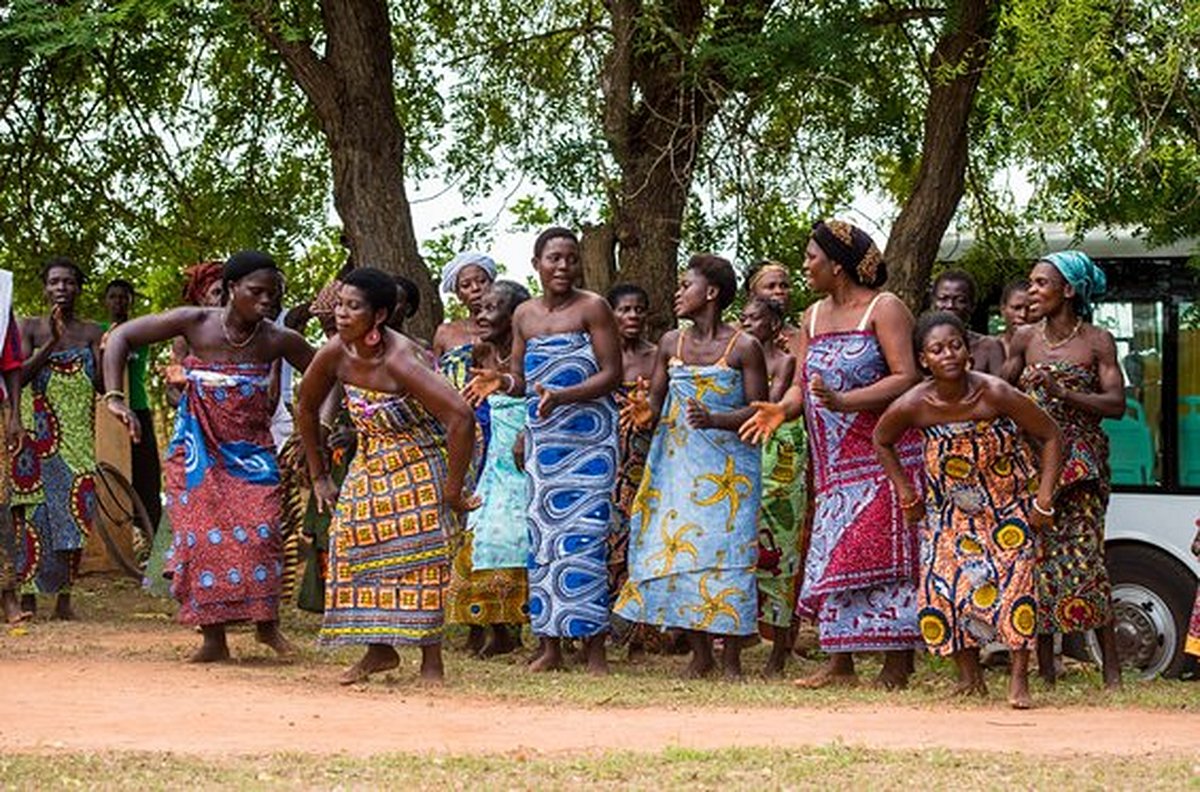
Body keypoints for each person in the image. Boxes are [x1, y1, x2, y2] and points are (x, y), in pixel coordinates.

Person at [104, 251, 314, 662]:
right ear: (232, 289)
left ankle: (267, 627)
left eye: (275, 293)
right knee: (201, 540)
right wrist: (115, 397)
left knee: (263, 533)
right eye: (257, 291)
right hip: (197, 452)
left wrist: (316, 428)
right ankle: (213, 639)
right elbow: (121, 336)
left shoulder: (278, 338)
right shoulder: (195, 323)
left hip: (252, 455)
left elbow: (329, 371)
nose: (268, 300)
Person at [740, 219, 923, 689]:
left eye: (811, 258)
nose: (805, 266)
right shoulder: (813, 317)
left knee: (885, 557)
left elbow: (906, 377)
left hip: (882, 456)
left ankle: (896, 664)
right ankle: (840, 663)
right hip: (833, 465)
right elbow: (804, 385)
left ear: (837, 266)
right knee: (834, 556)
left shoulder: (885, 309)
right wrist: (781, 410)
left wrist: (846, 401)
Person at [297, 267, 477, 684]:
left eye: (352, 307)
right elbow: (306, 407)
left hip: (423, 454)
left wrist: (453, 489)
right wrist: (319, 474)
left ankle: (432, 662)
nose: (341, 314)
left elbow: (461, 418)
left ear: (378, 316)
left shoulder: (402, 359)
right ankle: (378, 652)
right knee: (348, 539)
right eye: (339, 304)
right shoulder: (335, 351)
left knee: (423, 549)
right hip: (373, 455)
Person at [874, 312, 1064, 708]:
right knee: (944, 585)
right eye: (937, 349)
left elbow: (1050, 435)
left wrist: (1044, 499)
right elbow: (882, 440)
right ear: (924, 359)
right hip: (949, 511)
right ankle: (969, 677)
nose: (948, 355)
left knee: (1017, 584)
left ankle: (1018, 678)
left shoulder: (995, 393)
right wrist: (906, 492)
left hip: (1007, 502)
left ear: (968, 350)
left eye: (955, 345)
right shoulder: (913, 403)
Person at [473, 227, 621, 674]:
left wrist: (564, 395)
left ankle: (594, 648)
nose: (563, 266)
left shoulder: (593, 307)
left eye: (571, 259)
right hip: (544, 441)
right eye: (554, 258)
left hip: (589, 441)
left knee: (586, 541)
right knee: (544, 541)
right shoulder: (524, 315)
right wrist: (501, 382)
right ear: (536, 263)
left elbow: (612, 374)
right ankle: (551, 647)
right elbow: (520, 379)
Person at [615, 255, 766, 679]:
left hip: (730, 472)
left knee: (730, 556)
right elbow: (660, 402)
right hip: (676, 466)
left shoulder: (745, 348)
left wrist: (717, 419)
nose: (679, 293)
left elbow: (758, 411)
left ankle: (732, 660)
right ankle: (700, 655)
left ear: (712, 293)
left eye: (686, 285)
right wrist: (646, 409)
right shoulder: (670, 343)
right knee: (681, 552)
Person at [1003, 250, 1124, 689]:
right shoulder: (1022, 339)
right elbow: (1002, 393)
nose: (1032, 291)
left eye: (1041, 283)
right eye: (1031, 283)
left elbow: (1116, 404)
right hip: (1036, 463)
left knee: (1087, 561)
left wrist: (1064, 394)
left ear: (1068, 290)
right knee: (1038, 563)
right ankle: (1046, 669)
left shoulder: (1097, 341)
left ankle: (1112, 671)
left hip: (1084, 466)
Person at [12, 257, 103, 619]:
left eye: (68, 282)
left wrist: (111, 352)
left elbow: (101, 385)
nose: (61, 288)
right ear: (45, 287)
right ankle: (30, 597)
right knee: (34, 512)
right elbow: (18, 376)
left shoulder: (93, 331)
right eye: (54, 282)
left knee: (77, 511)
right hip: (36, 429)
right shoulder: (29, 327)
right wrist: (50, 342)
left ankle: (65, 600)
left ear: (78, 288)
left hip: (77, 431)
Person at [454, 280, 533, 656]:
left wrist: (527, 433)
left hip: (527, 458)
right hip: (492, 460)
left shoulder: (532, 353)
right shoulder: (481, 354)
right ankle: (492, 627)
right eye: (480, 307)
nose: (481, 315)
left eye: (492, 308)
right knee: (483, 533)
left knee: (516, 536)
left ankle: (516, 630)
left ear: (515, 316)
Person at [740, 296, 806, 677]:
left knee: (781, 553)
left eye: (758, 319)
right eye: (745, 318)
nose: (750, 324)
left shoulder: (785, 362)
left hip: (780, 453)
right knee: (741, 548)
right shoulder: (738, 358)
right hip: (747, 447)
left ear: (775, 324)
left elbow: (765, 403)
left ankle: (779, 653)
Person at [605, 283, 662, 658]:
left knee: (644, 537)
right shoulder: (600, 355)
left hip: (647, 456)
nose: (633, 317)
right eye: (624, 310)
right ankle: (606, 626)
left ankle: (643, 633)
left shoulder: (657, 356)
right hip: (607, 456)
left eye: (639, 310)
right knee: (609, 537)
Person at [102, 279, 162, 531]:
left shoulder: (140, 331)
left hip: (138, 408)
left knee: (147, 474)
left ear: (131, 301)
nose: (119, 301)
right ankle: (120, 535)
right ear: (105, 301)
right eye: (113, 296)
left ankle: (152, 535)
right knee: (112, 473)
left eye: (124, 297)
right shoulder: (99, 332)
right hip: (108, 413)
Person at [0, 269, 26, 623]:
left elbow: (12, 364)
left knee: (0, 504)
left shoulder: (0, 294)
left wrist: (15, 415)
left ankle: (8, 597)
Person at [432, 251, 497, 385]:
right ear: (458, 295)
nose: (475, 288)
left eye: (482, 281)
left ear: (493, 284)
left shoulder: (511, 328)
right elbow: (435, 379)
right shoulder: (445, 333)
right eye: (466, 285)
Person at [930, 270, 1004, 375]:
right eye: (943, 299)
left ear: (972, 306)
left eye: (960, 300)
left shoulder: (989, 346)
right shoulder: (919, 346)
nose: (950, 305)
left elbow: (1001, 388)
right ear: (933, 302)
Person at [744, 260, 802, 356]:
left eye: (784, 286)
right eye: (771, 286)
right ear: (752, 294)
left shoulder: (800, 337)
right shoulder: (733, 334)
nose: (779, 291)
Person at [997, 278, 1031, 359]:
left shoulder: (1044, 350)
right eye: (1017, 308)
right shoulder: (989, 347)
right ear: (1003, 309)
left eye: (1029, 309)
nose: (1023, 315)